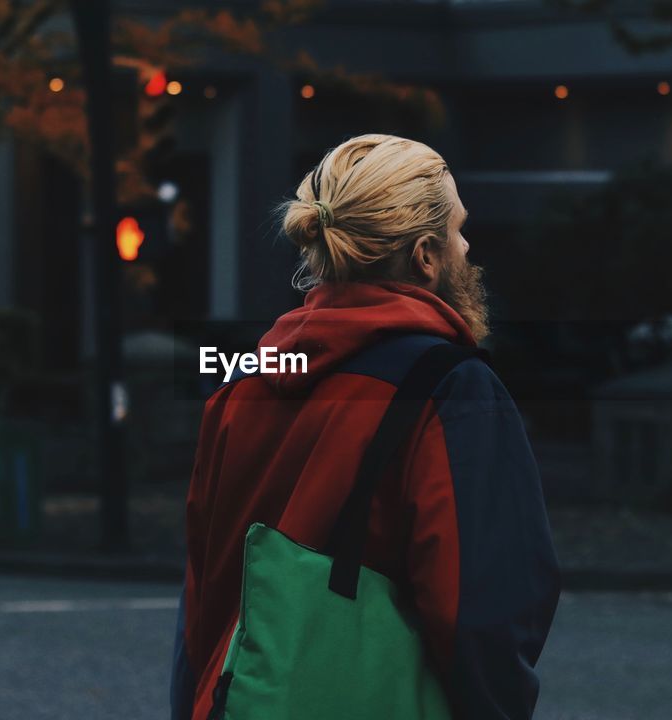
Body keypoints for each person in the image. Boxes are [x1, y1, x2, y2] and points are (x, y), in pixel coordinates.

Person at [171, 133, 560, 720]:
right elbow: (480, 610)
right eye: (459, 230)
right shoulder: (451, 388)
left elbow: (202, 594)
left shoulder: (242, 382)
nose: (468, 245)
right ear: (427, 255)